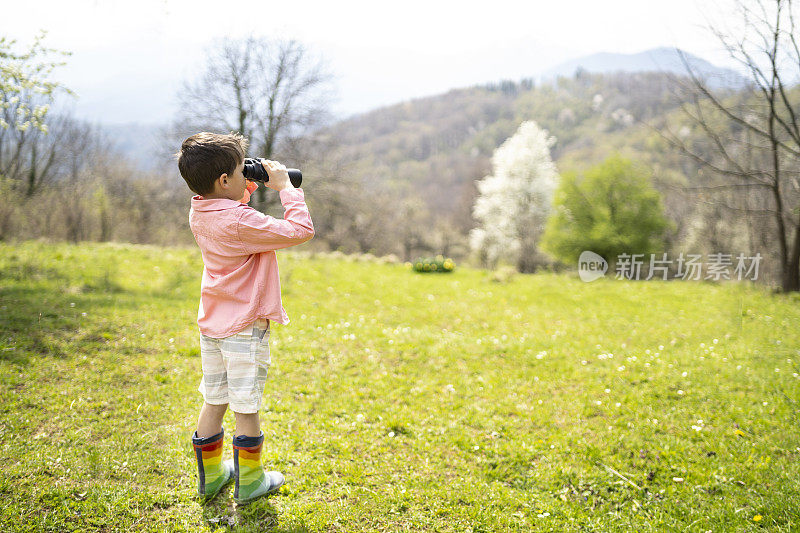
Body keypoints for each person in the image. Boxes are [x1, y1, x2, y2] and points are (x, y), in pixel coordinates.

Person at [175, 131, 314, 504]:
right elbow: (301, 231)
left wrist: (244, 183)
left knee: (215, 399)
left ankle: (212, 476)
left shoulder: (200, 209)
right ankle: (251, 481)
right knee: (246, 405)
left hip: (213, 325)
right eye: (238, 171)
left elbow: (233, 211)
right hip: (244, 327)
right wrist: (286, 188)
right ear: (223, 180)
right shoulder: (240, 222)